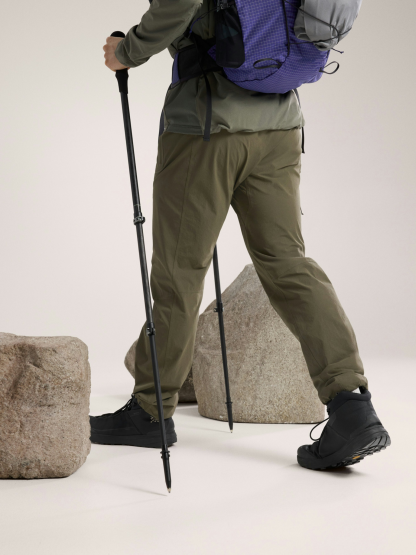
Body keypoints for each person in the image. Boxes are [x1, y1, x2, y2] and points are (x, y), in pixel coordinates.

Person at [90, 0, 391, 470]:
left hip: (206, 127)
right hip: (280, 123)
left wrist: (128, 50)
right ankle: (351, 406)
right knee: (287, 263)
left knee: (179, 272)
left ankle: (150, 412)